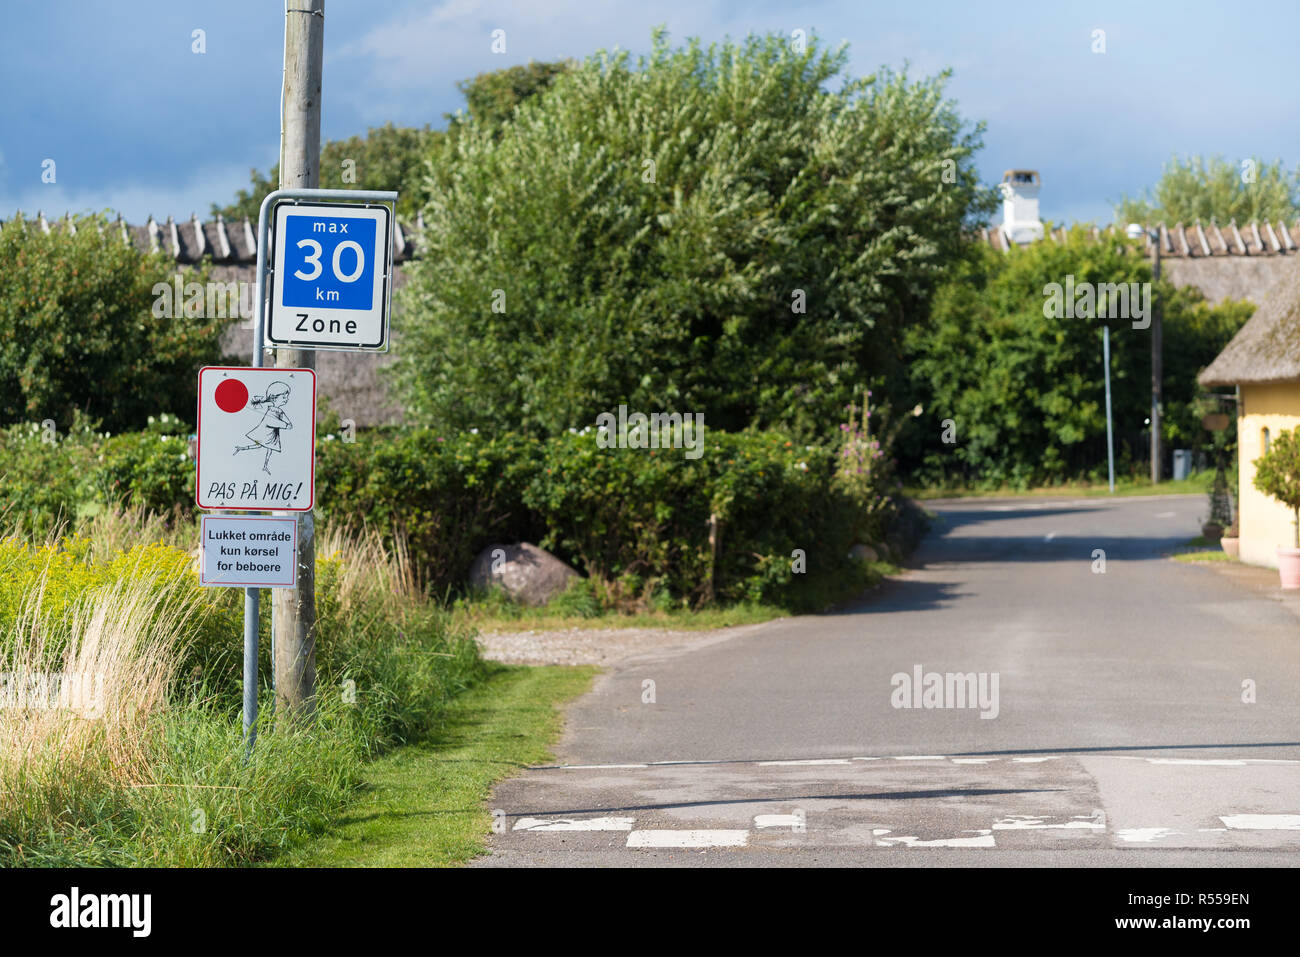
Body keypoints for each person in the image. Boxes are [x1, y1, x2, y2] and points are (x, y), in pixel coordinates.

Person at [233, 381, 292, 475]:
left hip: (273, 433)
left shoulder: (279, 411)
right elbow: (270, 421)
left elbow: (289, 423)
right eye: (284, 397)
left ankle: (264, 465)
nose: (286, 399)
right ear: (274, 397)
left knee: (269, 448)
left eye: (287, 397)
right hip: (267, 431)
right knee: (261, 445)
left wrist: (287, 424)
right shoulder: (271, 409)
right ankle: (242, 449)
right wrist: (284, 425)